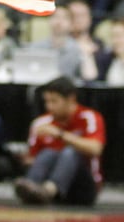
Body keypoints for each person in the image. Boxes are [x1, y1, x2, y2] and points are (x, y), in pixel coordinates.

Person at [14, 76, 106, 206]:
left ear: (71, 99)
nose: (49, 106)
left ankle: (49, 189)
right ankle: (32, 187)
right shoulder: (41, 123)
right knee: (48, 153)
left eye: (54, 101)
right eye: (47, 101)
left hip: (83, 187)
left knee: (70, 152)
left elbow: (96, 149)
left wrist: (60, 134)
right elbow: (33, 158)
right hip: (46, 182)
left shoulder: (89, 117)